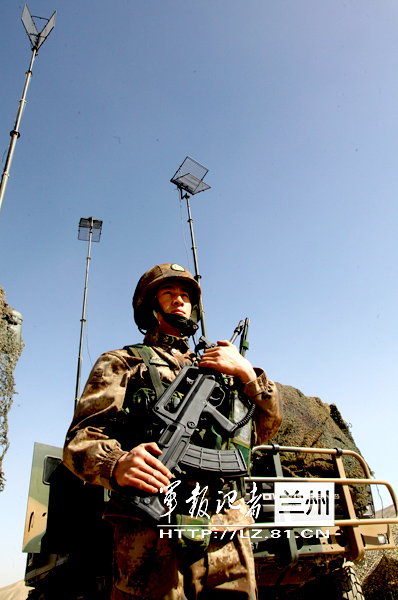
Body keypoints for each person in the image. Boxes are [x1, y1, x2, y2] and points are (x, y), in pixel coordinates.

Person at [64, 263, 282, 600]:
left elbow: (264, 429)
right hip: (151, 537)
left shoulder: (221, 370)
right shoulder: (123, 363)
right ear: (149, 306)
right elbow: (80, 440)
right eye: (169, 294)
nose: (180, 301)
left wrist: (245, 373)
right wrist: (117, 464)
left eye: (185, 296)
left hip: (225, 535)